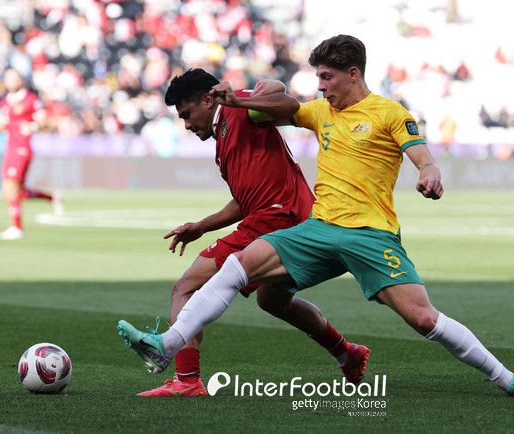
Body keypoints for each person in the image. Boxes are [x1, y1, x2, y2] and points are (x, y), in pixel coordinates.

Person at [119, 35, 514, 398]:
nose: (321, 86)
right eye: (318, 78)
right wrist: (242, 97)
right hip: (318, 230)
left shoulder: (389, 112)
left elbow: (420, 153)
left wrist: (430, 171)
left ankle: (507, 379)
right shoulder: (319, 112)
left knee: (424, 318)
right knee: (238, 266)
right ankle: (168, 344)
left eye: (327, 77)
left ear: (353, 73)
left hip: (370, 235)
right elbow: (285, 104)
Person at [118, 68, 370, 397]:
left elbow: (288, 104)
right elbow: (243, 201)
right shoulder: (223, 142)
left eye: (187, 114)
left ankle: (187, 379)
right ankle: (347, 353)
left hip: (276, 218)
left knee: (185, 287)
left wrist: (252, 93)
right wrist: (201, 226)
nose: (187, 125)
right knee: (272, 300)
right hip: (288, 219)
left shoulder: (240, 108)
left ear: (208, 100)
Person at [0, 69, 62, 240]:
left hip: (22, 148)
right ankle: (51, 197)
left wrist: (32, 126)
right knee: (17, 191)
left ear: (20, 81)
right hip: (10, 148)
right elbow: (4, 124)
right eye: (8, 79)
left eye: (14, 78)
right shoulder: (5, 102)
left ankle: (17, 227)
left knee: (10, 186)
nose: (11, 82)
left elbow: (43, 122)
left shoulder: (30, 99)